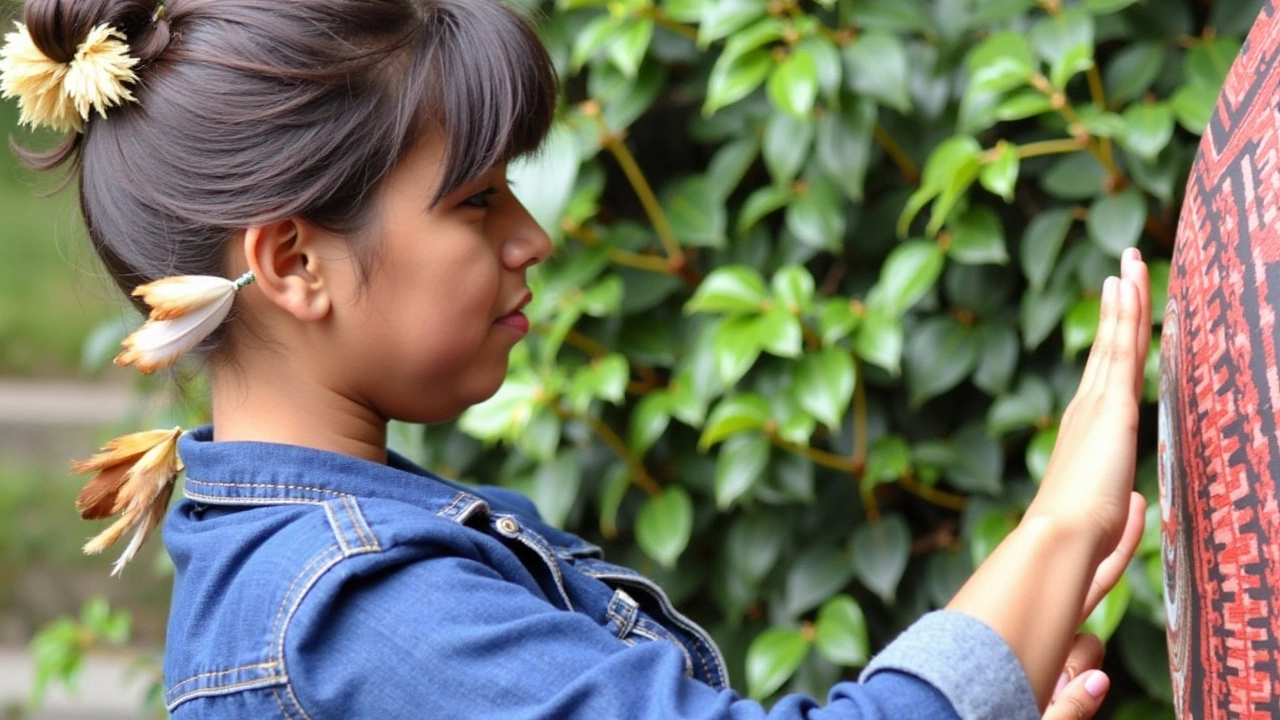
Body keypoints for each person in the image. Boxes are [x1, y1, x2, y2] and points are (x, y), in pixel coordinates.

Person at [0, 1, 1151, 718]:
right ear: (294, 260)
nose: (531, 239)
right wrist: (1056, 527)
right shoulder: (360, 613)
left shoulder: (321, 569)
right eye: (479, 199)